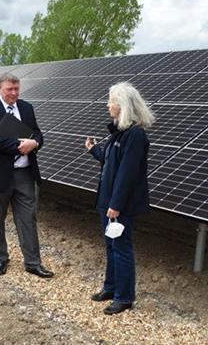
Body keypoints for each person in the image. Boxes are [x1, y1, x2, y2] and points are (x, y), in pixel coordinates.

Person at [85, 82, 154, 315]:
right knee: (110, 245)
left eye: (111, 101)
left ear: (122, 105)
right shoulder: (119, 133)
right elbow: (110, 159)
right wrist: (94, 150)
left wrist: (116, 205)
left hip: (119, 204)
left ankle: (124, 297)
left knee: (121, 247)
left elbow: (127, 173)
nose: (108, 105)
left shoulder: (134, 135)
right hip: (108, 200)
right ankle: (111, 287)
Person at [0, 73, 54, 278]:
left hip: (25, 174)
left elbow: (37, 134)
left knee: (28, 218)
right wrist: (19, 145)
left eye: (16, 89)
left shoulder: (26, 108)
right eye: (9, 89)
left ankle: (33, 262)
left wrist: (35, 143)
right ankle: (1, 259)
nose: (14, 93)